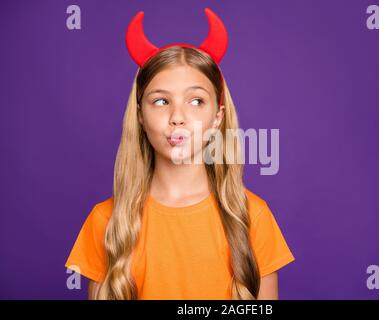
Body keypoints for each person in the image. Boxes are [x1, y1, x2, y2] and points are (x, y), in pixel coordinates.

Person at [65, 7, 295, 300]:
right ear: (140, 116)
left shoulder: (253, 217)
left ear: (217, 117)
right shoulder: (106, 221)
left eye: (196, 101)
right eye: (161, 102)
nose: (178, 117)